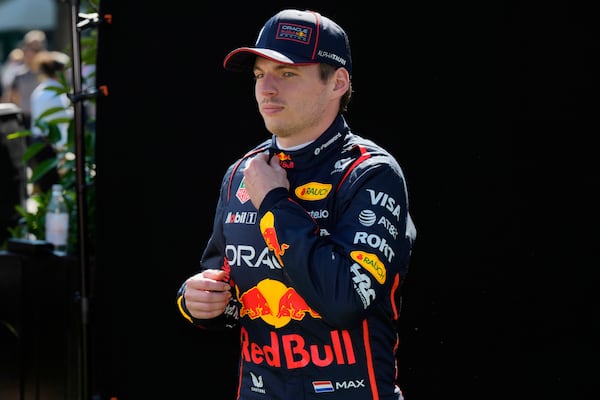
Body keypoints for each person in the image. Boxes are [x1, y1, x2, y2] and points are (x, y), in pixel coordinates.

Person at [176, 9, 416, 400]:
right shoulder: (243, 172)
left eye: (287, 74)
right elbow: (226, 287)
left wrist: (274, 201)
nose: (266, 89)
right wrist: (198, 301)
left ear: (337, 82)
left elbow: (344, 302)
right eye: (259, 74)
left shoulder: (370, 173)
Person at [28, 50, 73, 193]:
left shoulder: (39, 90)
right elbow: (62, 122)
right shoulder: (55, 93)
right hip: (50, 146)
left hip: (38, 144)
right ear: (59, 72)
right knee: (54, 189)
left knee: (45, 189)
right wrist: (63, 150)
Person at [6, 30, 47, 130]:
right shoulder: (19, 74)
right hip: (25, 121)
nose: (30, 52)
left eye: (36, 49)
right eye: (27, 48)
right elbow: (12, 98)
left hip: (46, 120)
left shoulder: (50, 72)